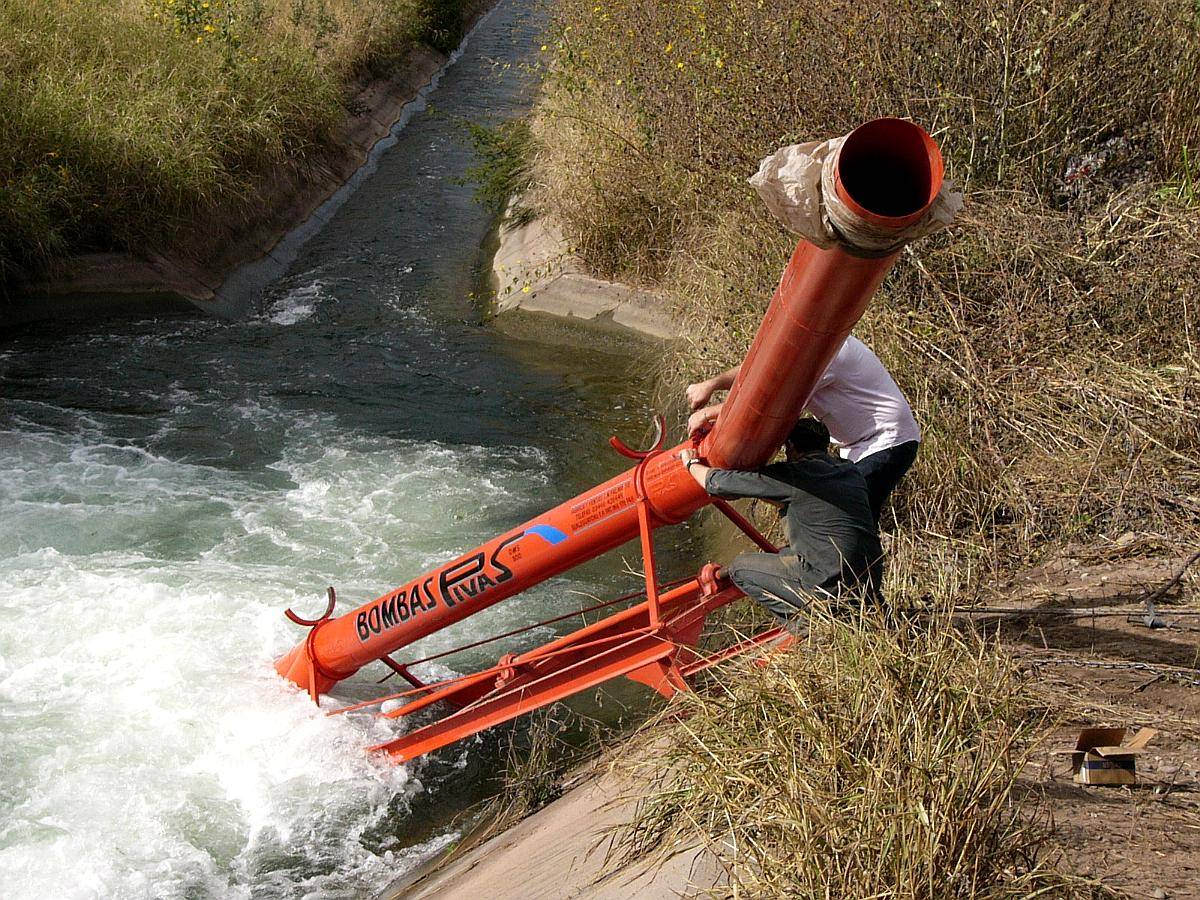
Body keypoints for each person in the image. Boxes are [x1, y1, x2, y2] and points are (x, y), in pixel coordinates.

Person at [686, 334, 919, 523]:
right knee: (834, 513)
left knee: (840, 515)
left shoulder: (830, 352)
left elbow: (776, 399)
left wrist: (709, 412)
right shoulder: (809, 346)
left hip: (885, 441)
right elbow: (760, 372)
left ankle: (841, 577)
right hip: (859, 446)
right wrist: (712, 384)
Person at [680, 418, 883, 623]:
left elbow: (719, 484)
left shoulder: (796, 475)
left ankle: (808, 628)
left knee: (740, 568)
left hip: (830, 586)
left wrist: (690, 463)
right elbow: (807, 500)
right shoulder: (849, 472)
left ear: (791, 447)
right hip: (868, 583)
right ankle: (832, 617)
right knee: (786, 553)